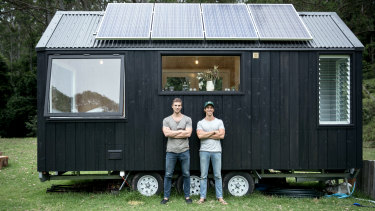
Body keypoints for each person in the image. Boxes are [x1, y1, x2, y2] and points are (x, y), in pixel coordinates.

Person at [161, 98, 193, 204]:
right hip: (171, 151)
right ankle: (166, 197)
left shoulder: (187, 119)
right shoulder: (166, 120)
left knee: (186, 174)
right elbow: (166, 134)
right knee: (168, 174)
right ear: (172, 106)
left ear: (181, 106)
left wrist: (172, 132)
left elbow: (188, 134)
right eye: (176, 105)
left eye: (179, 105)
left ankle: (187, 197)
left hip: (184, 150)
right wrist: (181, 131)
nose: (177, 107)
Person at [196, 101, 227, 205]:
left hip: (216, 151)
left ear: (213, 109)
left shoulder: (219, 121)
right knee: (203, 175)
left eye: (211, 107)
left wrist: (206, 134)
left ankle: (220, 197)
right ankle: (202, 197)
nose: (209, 109)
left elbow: (222, 136)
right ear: (205, 109)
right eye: (207, 107)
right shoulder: (200, 123)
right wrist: (214, 132)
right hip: (204, 151)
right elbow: (200, 136)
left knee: (217, 175)